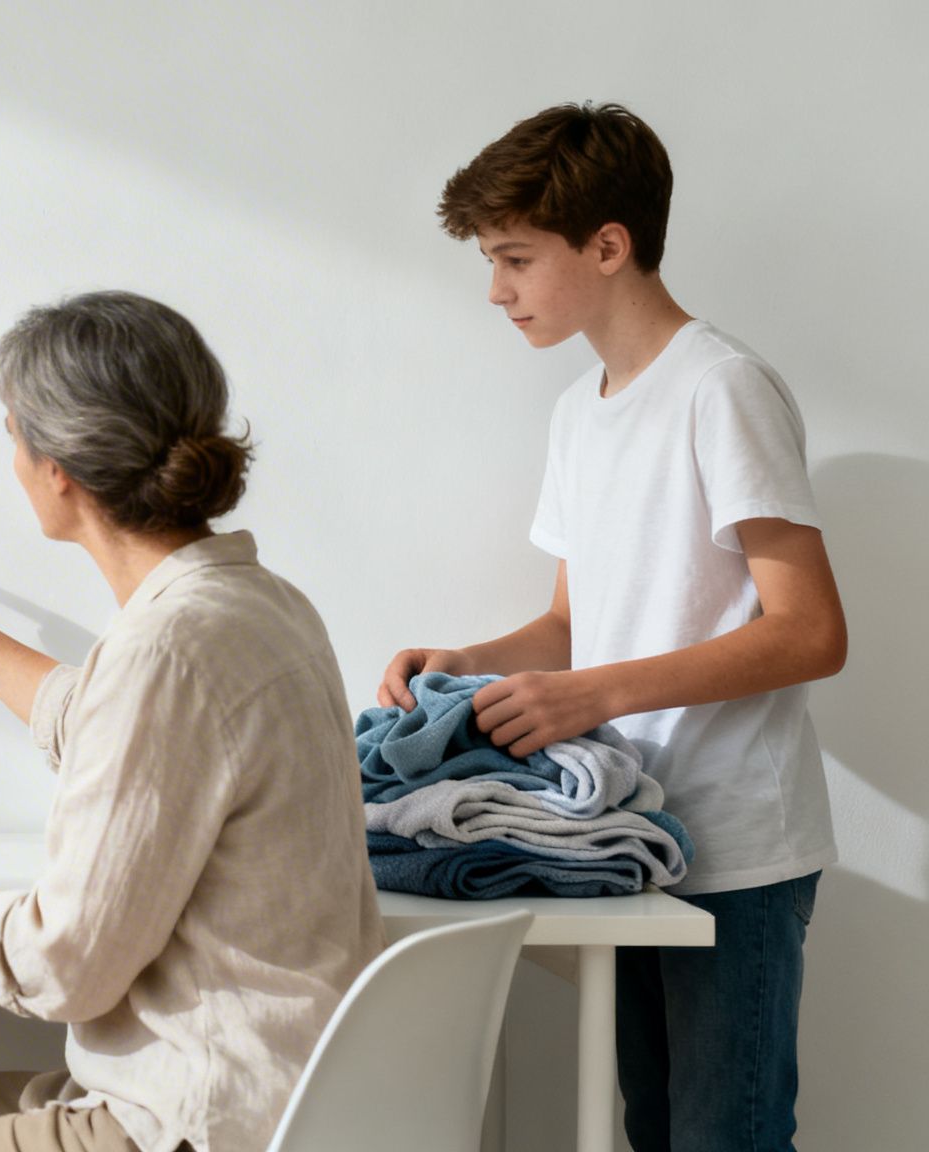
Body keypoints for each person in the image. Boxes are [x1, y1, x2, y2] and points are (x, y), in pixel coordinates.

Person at [0, 291, 384, 1152]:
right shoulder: (260, 605)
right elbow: (102, 718)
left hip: (195, 1117)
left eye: (13, 435)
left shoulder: (169, 647)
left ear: (58, 469)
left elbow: (58, 964)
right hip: (275, 1086)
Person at [377, 103, 847, 1152]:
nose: (493, 290)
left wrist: (589, 695)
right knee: (649, 1130)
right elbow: (567, 623)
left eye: (511, 258)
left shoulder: (720, 389)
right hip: (630, 841)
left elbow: (810, 631)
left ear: (606, 245)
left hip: (738, 850)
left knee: (724, 1135)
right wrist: (468, 662)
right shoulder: (578, 412)